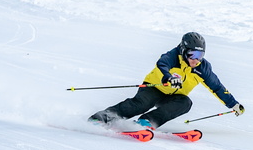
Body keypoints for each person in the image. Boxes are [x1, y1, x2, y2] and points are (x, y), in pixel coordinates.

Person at [89, 32, 244, 130]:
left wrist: (233, 104)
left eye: (200, 55)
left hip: (173, 97)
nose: (196, 60)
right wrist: (170, 77)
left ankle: (146, 122)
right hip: (154, 88)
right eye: (192, 55)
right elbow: (162, 65)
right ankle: (102, 117)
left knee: (186, 103)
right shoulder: (172, 56)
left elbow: (217, 87)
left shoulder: (202, 68)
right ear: (183, 51)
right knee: (141, 104)